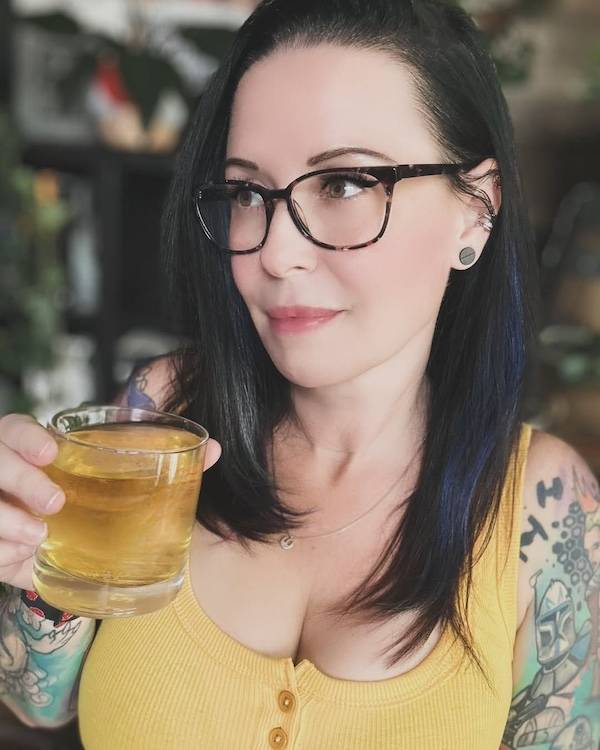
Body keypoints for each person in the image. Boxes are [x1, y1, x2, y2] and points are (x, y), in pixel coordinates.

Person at [1, 1, 599, 748]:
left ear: (476, 208)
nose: (275, 252)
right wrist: (33, 564)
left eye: (343, 184)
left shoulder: (548, 511)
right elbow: (38, 703)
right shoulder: (163, 414)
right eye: (247, 194)